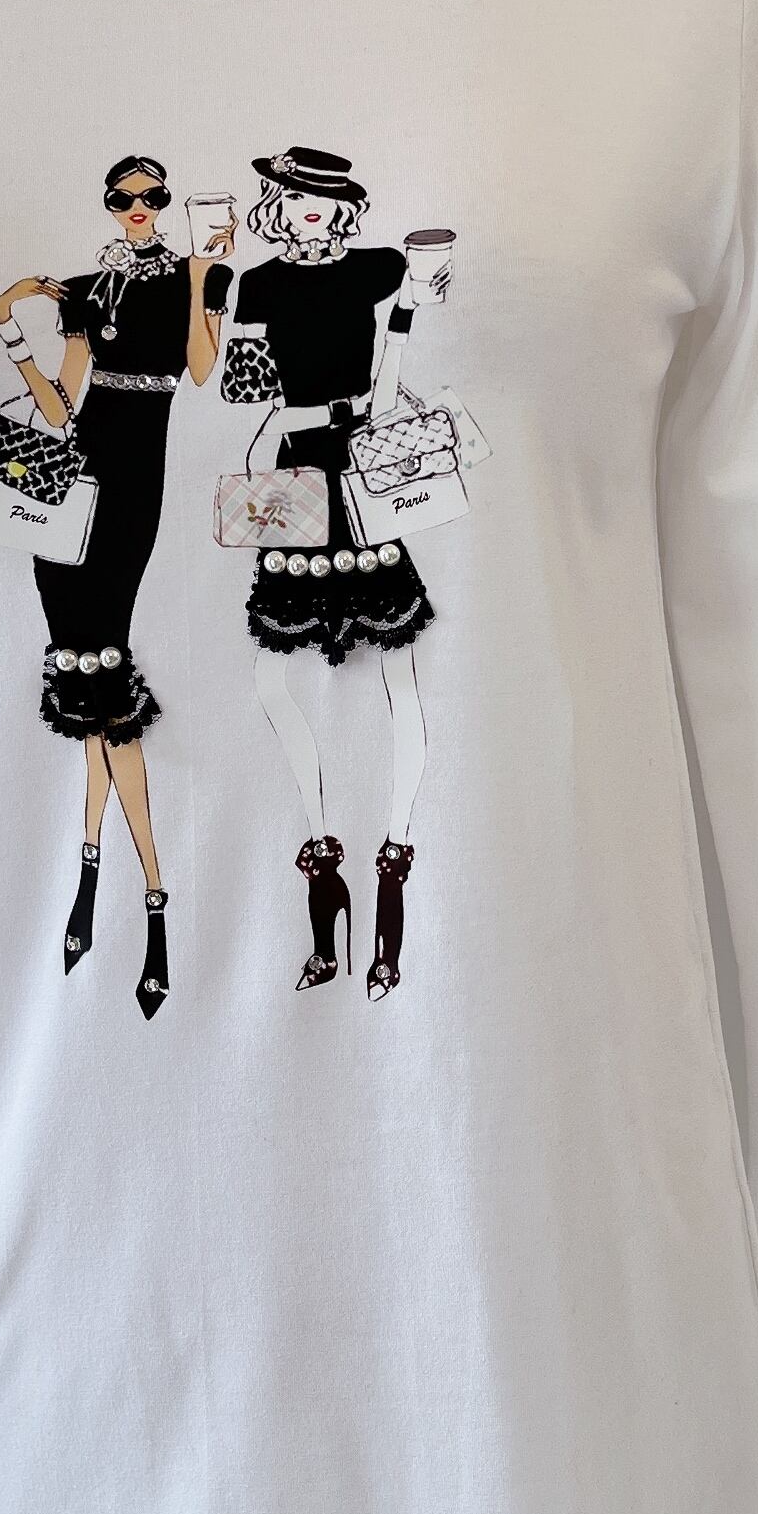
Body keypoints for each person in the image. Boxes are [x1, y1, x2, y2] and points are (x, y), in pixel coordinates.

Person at [0, 156, 233, 1016]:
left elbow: (200, 370)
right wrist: (9, 326)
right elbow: (62, 405)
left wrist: (202, 273)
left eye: (152, 198)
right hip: (72, 481)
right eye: (125, 199)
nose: (139, 208)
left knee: (107, 673)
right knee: (89, 682)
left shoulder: (199, 277)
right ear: (109, 204)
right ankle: (100, 881)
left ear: (166, 203)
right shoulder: (89, 288)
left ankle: (149, 897)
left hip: (134, 486)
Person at [224, 145, 451, 1000]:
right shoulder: (258, 285)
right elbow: (252, 396)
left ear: (345, 206)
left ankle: (394, 862)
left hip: (364, 467)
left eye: (322, 195)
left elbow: (391, 369)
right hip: (295, 467)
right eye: (292, 194)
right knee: (272, 676)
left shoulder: (376, 268)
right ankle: (324, 860)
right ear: (276, 204)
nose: (307, 207)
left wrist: (412, 306)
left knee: (400, 670)